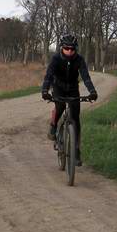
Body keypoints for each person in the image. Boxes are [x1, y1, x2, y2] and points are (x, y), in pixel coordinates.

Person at [41, 34, 98, 166]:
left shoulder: (79, 59)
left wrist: (92, 91)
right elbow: (48, 76)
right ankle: (53, 126)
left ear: (75, 49)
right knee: (60, 107)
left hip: (72, 88)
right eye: (67, 48)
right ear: (62, 48)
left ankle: (76, 151)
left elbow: (85, 76)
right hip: (58, 87)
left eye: (72, 49)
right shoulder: (55, 59)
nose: (69, 51)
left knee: (76, 118)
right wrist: (45, 91)